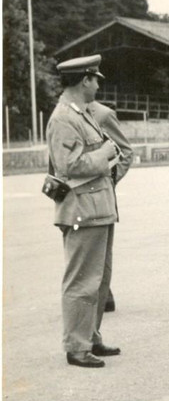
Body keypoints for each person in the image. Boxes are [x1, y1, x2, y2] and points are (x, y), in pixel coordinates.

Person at [47, 55, 122, 368]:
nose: (98, 86)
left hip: (97, 209)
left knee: (99, 280)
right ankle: (77, 347)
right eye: (95, 80)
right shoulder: (64, 118)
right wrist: (105, 153)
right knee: (82, 281)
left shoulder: (83, 113)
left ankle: (90, 336)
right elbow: (69, 167)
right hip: (82, 210)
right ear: (84, 80)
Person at [89, 99, 133, 313]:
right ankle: (99, 295)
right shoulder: (65, 113)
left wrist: (110, 181)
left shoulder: (103, 114)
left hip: (100, 194)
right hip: (75, 198)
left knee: (102, 249)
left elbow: (125, 152)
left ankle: (103, 295)